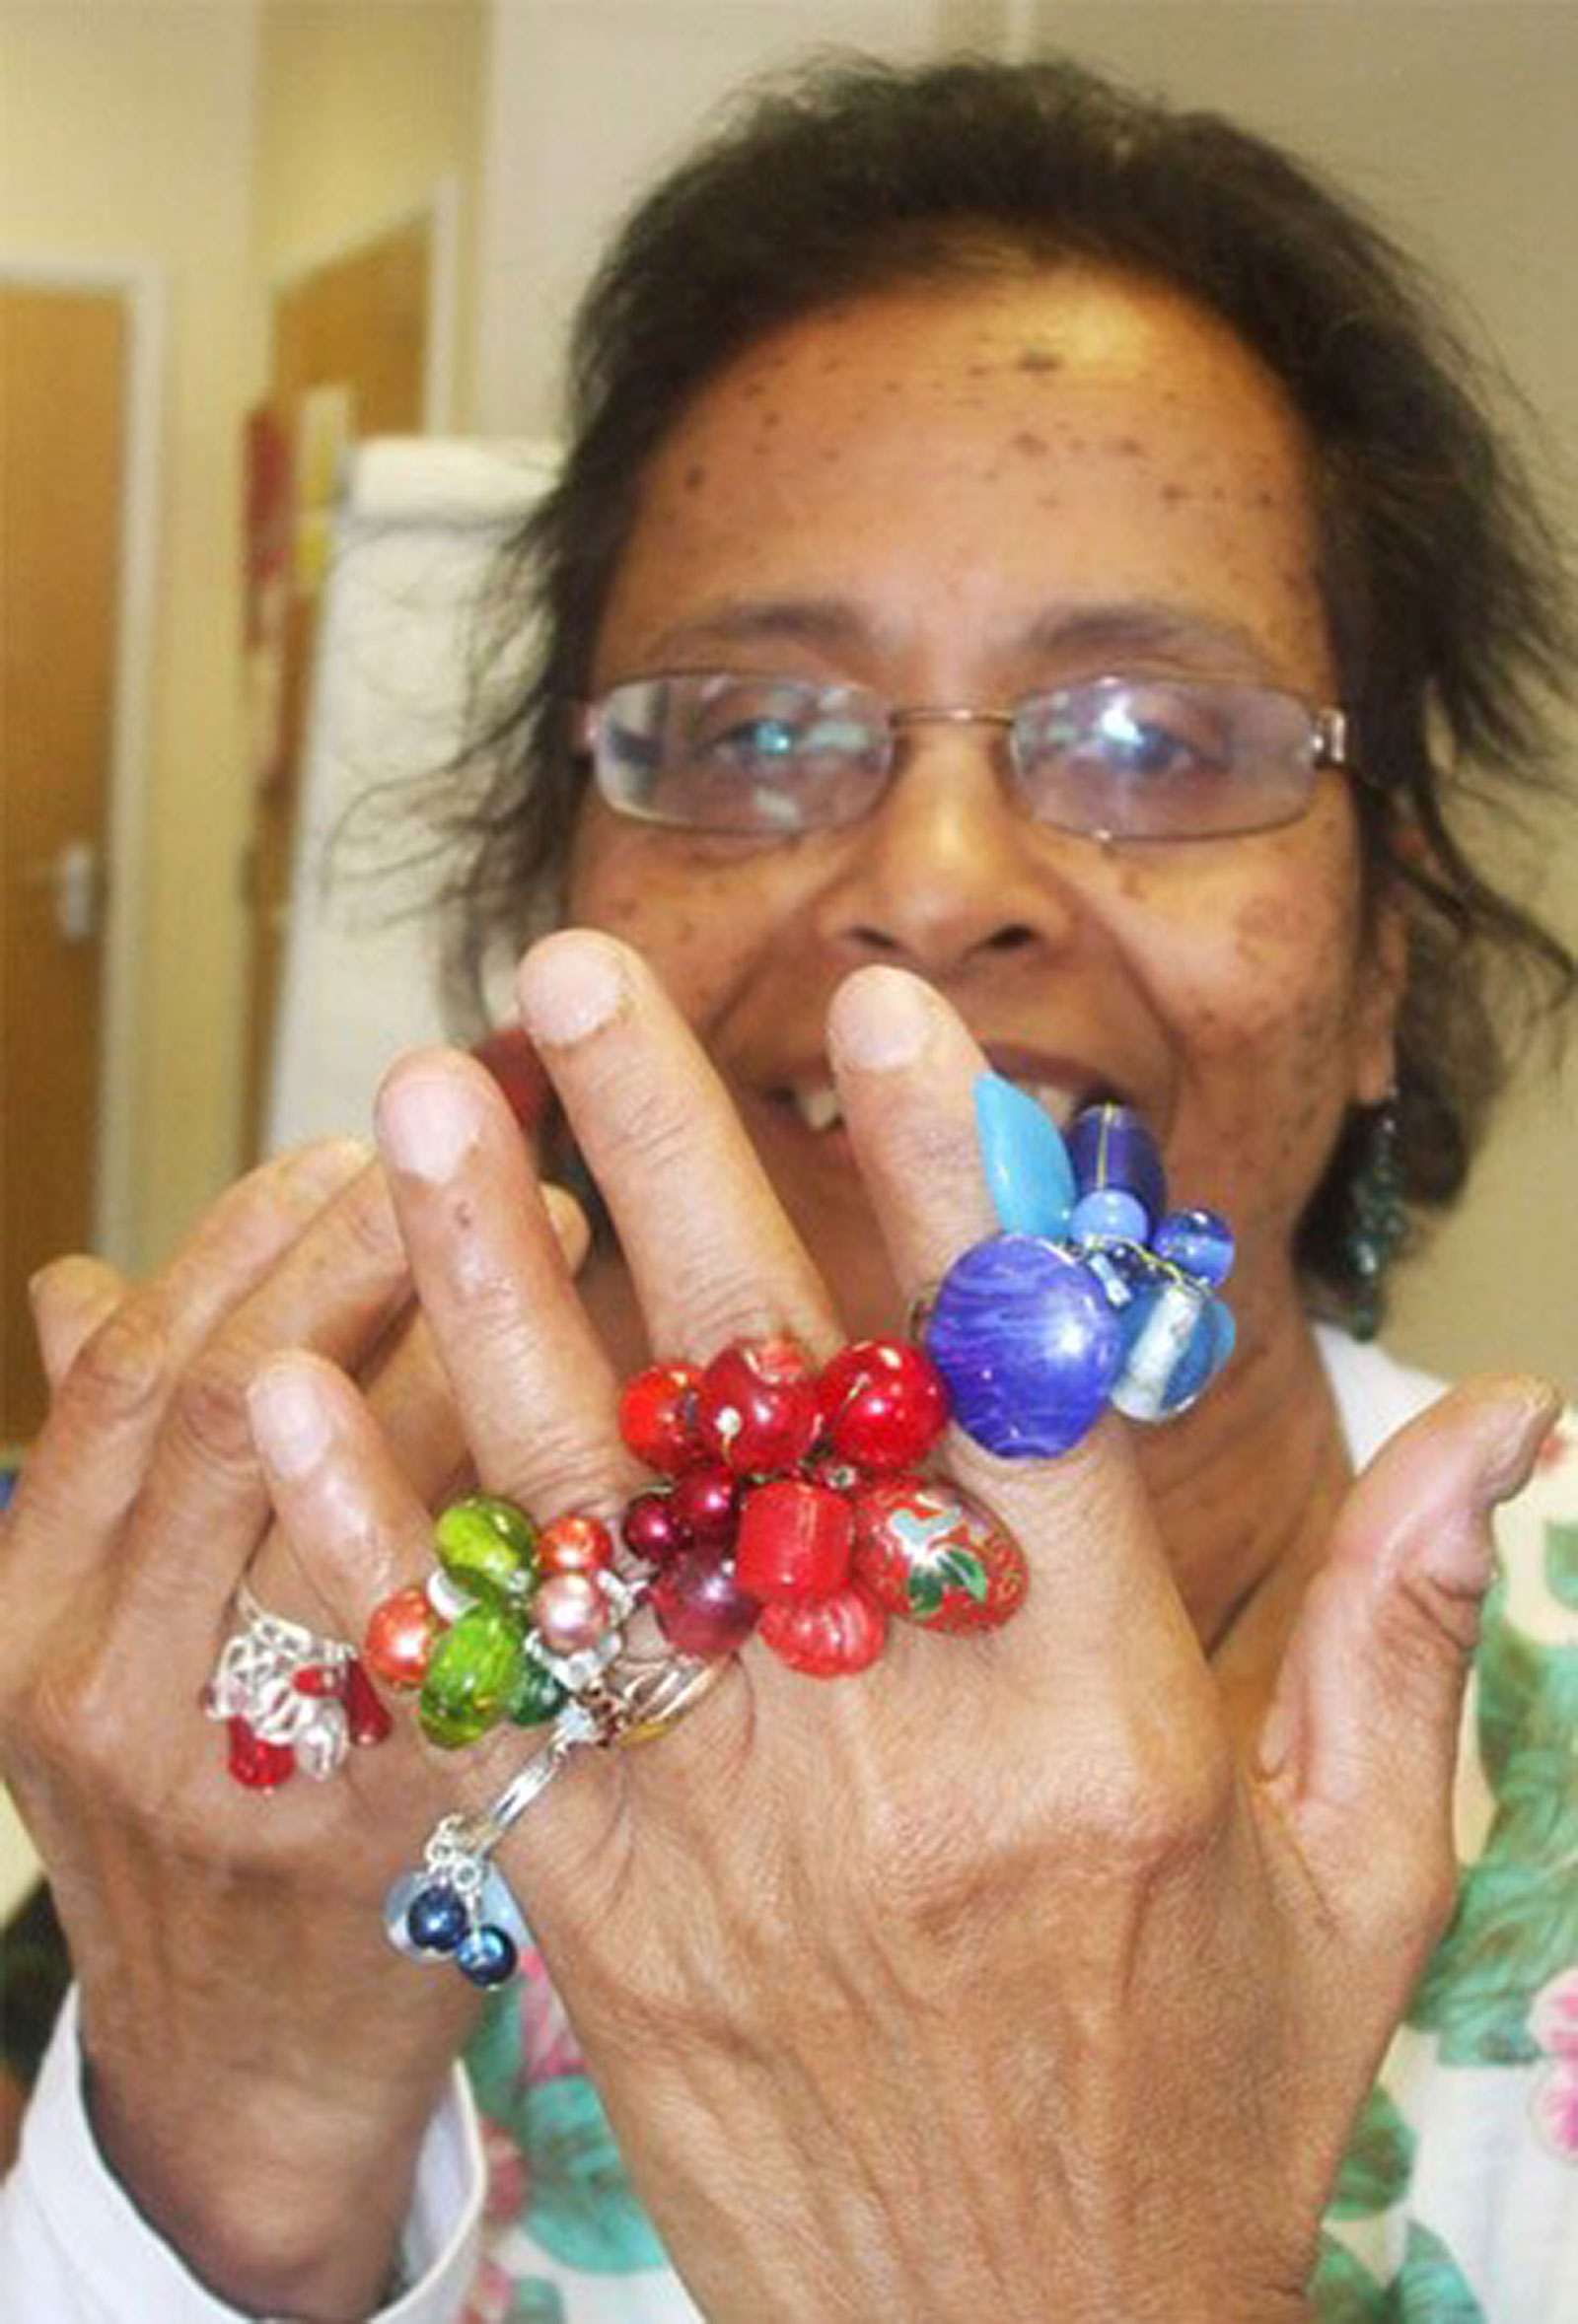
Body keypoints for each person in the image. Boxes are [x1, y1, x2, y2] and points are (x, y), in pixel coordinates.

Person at [2, 50, 1575, 2324]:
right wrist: (226, 2134)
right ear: (560, 898)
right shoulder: (363, 1694)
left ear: (1376, 974)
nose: (926, 887)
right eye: (749, 729)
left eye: (1149, 739)